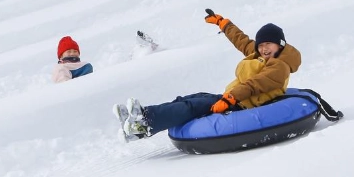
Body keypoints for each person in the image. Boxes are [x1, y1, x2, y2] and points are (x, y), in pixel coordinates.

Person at [112, 10, 301, 140]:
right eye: (261, 45)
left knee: (192, 106)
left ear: (280, 44)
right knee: (191, 98)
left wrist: (229, 100)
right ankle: (141, 115)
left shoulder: (280, 67)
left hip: (242, 106)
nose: (263, 48)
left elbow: (254, 84)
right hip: (233, 99)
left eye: (268, 44)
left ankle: (145, 123)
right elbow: (242, 41)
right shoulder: (260, 55)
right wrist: (223, 23)